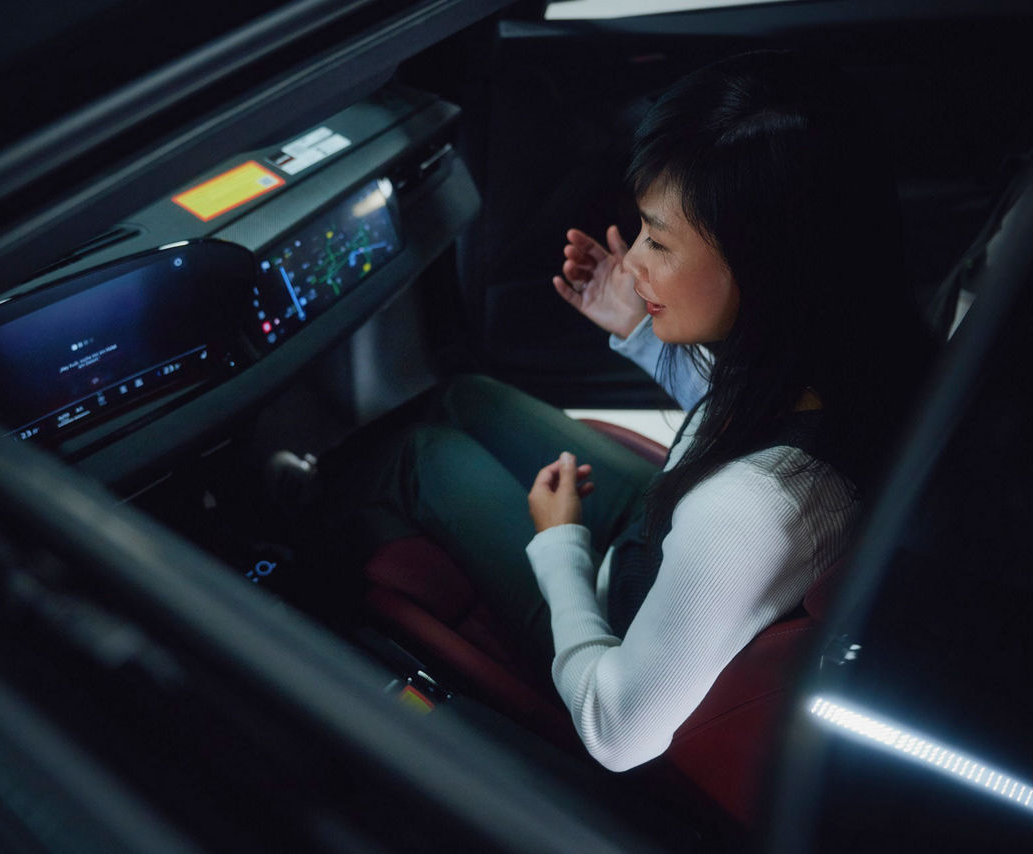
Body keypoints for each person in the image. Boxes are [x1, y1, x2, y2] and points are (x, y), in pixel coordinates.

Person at [321, 50, 936, 772]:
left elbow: (618, 734)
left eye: (659, 241)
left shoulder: (748, 512)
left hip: (613, 612)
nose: (634, 260)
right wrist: (640, 329)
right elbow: (738, 417)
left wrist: (560, 548)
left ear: (764, 269)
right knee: (464, 396)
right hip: (659, 536)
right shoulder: (860, 362)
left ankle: (301, 512)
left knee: (418, 458)